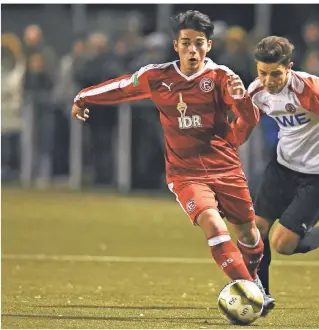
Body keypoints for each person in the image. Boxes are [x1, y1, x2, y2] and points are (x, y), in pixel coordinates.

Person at [71, 10, 265, 290]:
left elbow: (250, 119)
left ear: (208, 46)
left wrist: (242, 101)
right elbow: (122, 87)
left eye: (199, 43)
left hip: (226, 169)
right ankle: (250, 290)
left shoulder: (223, 78)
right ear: (176, 45)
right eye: (186, 42)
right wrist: (83, 97)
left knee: (249, 236)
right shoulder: (157, 76)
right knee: (213, 224)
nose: (192, 50)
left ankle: (253, 278)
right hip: (186, 173)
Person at [233, 36, 319, 315]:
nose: (268, 80)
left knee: (283, 245)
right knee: (255, 231)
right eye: (262, 72)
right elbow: (245, 124)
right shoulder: (257, 90)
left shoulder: (312, 90)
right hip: (282, 167)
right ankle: (262, 296)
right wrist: (224, 147)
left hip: (317, 173)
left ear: (289, 68)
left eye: (275, 73)